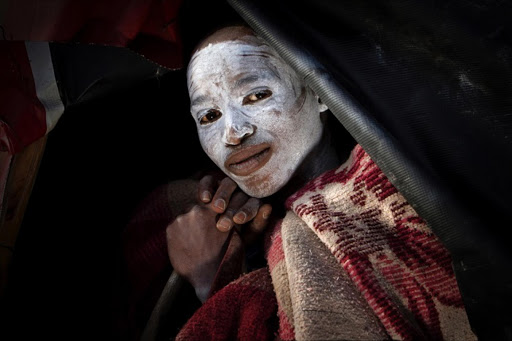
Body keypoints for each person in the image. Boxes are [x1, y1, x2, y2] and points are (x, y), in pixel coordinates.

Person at [122, 25, 477, 340]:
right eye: (209, 115)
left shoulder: (408, 187)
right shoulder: (212, 210)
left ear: (319, 91)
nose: (232, 133)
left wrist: (205, 281)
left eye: (256, 95)